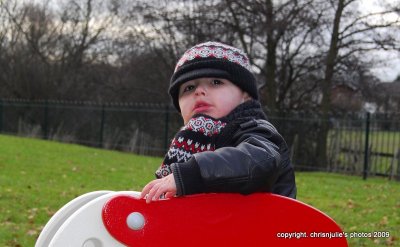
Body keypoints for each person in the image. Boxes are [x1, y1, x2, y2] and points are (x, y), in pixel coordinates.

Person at [140, 41, 296, 203]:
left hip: (264, 225)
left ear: (245, 95)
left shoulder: (254, 129)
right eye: (189, 88)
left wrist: (189, 174)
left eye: (216, 82)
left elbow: (262, 161)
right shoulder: (188, 140)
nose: (199, 91)